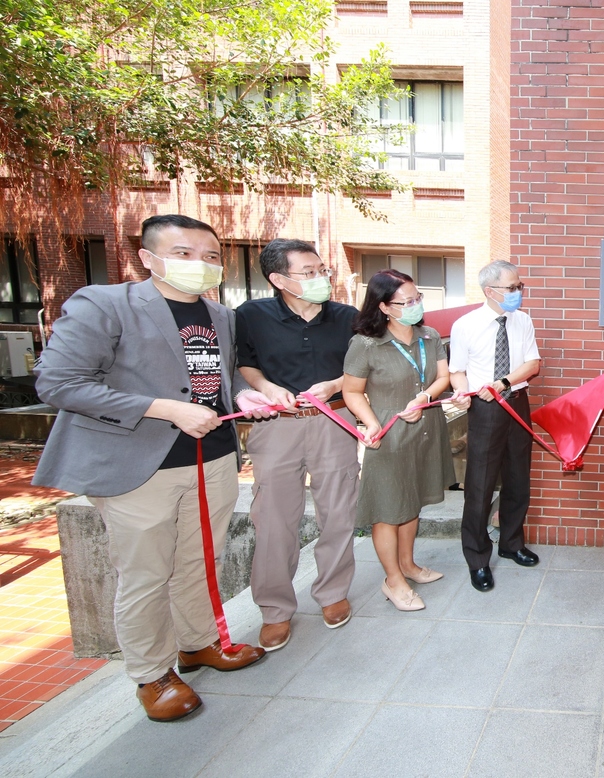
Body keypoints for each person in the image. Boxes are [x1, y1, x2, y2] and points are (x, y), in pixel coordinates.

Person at [33, 214, 276, 722]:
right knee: (145, 573)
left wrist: (245, 393)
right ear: (148, 257)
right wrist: (163, 407)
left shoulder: (221, 315)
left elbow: (219, 373)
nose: (199, 265)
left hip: (211, 459)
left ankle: (199, 643)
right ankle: (152, 674)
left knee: (199, 561)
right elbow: (60, 383)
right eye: (183, 253)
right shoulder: (104, 303)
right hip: (136, 463)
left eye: (210, 256)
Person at [235, 239, 359, 651]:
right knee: (272, 519)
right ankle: (274, 610)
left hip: (334, 420)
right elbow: (245, 364)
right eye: (309, 272)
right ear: (278, 279)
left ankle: (332, 592)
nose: (322, 277)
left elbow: (364, 368)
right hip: (276, 425)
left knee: (339, 511)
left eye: (322, 270)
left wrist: (337, 384)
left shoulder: (347, 317)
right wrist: (267, 387)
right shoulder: (251, 316)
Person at [342, 270, 454, 611]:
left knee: (412, 500)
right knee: (388, 509)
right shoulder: (365, 343)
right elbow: (351, 390)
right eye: (407, 302)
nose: (416, 306)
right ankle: (393, 580)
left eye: (418, 298)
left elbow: (444, 377)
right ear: (384, 307)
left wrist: (424, 398)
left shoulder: (429, 335)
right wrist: (372, 424)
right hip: (389, 433)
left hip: (425, 428)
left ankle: (408, 565)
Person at [448, 260, 542, 592]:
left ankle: (512, 543)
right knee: (480, 484)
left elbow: (533, 364)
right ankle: (478, 559)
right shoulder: (465, 325)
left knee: (518, 478)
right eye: (512, 288)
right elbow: (456, 370)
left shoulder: (523, 321)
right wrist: (462, 390)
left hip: (516, 402)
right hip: (484, 409)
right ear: (490, 291)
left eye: (520, 286)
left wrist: (503, 382)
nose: (518, 292)